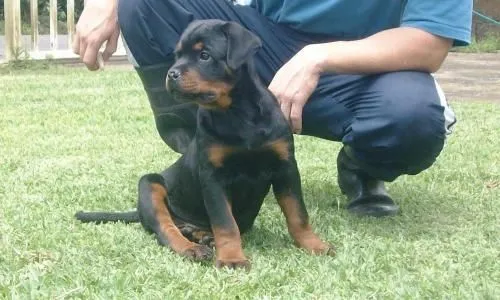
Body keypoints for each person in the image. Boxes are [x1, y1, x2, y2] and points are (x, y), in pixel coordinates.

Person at [72, 0, 472, 217]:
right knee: (144, 3)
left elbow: (428, 43)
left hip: (370, 62)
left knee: (413, 116)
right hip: (267, 45)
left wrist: (319, 56)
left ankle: (363, 169)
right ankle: (206, 163)